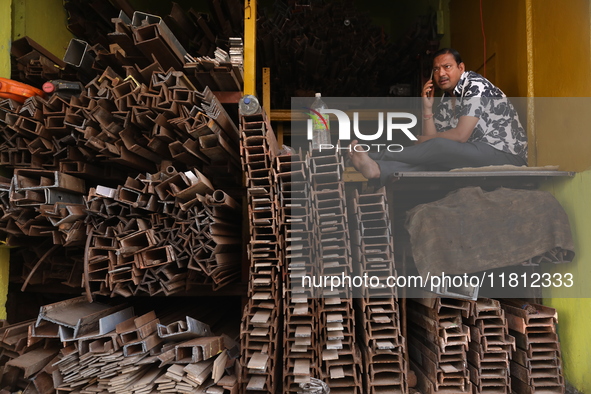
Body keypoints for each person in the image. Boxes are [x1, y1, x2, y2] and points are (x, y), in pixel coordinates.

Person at [349, 48, 528, 184]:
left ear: (461, 67)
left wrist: (429, 141)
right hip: (474, 153)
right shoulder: (445, 99)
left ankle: (376, 155)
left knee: (440, 147)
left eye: (447, 67)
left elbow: (459, 136)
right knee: (433, 160)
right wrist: (427, 109)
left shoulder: (475, 85)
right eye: (436, 69)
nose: (441, 73)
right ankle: (377, 169)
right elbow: (432, 141)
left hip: (505, 154)